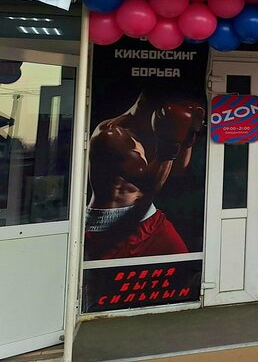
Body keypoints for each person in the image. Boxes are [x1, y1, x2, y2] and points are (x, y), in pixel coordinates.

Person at [84, 88, 205, 260]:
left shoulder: (154, 130)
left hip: (149, 218)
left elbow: (178, 170)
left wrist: (186, 139)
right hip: (110, 227)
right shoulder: (110, 135)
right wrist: (171, 143)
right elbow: (150, 185)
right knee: (110, 277)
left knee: (183, 268)